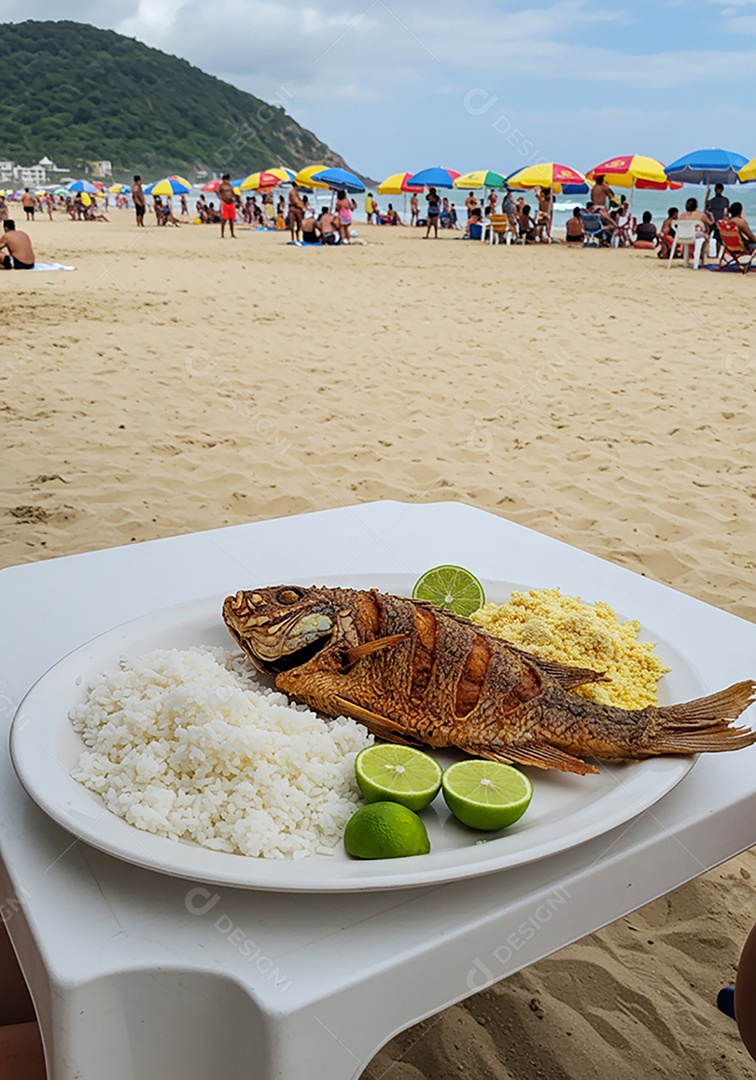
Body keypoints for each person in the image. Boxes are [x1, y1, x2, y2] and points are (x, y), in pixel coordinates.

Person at [217, 174, 236, 238]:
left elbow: (233, 193)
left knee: (231, 219)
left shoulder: (230, 186)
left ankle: (232, 233)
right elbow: (218, 192)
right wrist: (221, 198)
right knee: (224, 219)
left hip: (231, 203)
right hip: (225, 202)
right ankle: (222, 234)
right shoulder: (221, 186)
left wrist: (234, 198)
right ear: (224, 180)